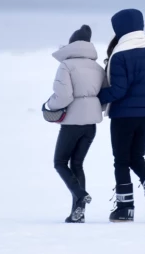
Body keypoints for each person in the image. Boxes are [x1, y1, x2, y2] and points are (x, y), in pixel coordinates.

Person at [98, 9, 145, 222]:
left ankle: (125, 208)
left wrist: (97, 96)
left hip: (124, 115)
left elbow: (118, 90)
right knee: (136, 157)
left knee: (121, 160)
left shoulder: (120, 54)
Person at [44, 25, 106, 223]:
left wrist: (48, 107)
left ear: (72, 45)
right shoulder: (97, 67)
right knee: (77, 163)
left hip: (72, 124)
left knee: (60, 162)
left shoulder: (66, 66)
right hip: (91, 125)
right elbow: (103, 97)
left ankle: (80, 195)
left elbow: (63, 96)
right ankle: (78, 213)